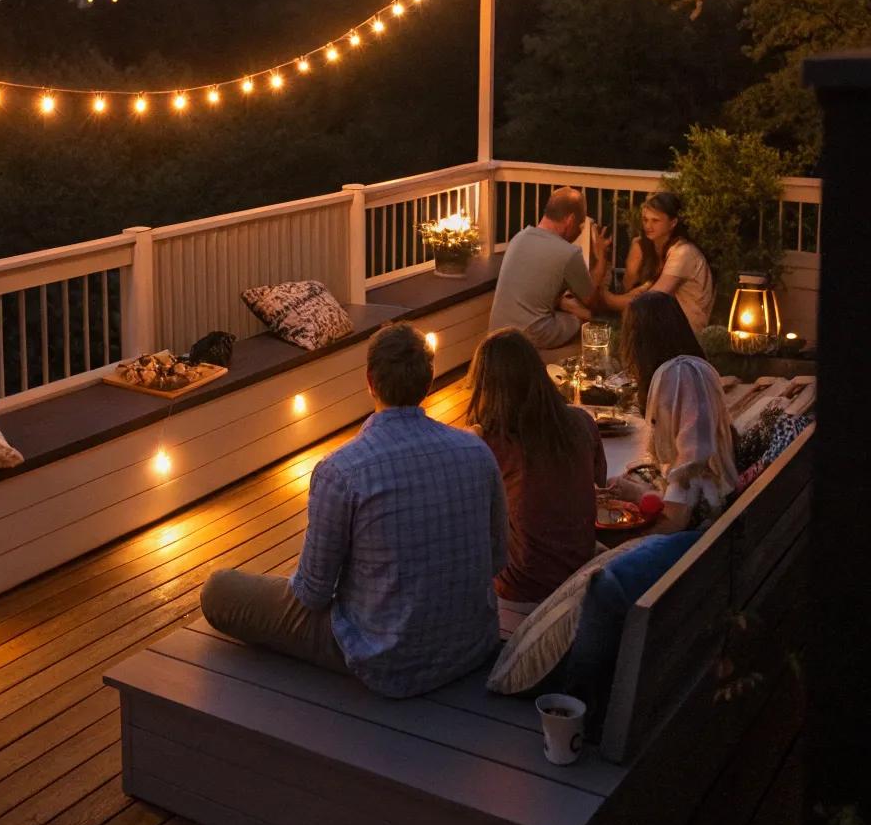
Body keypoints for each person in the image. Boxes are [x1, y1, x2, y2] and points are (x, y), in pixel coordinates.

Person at [201, 322, 508, 698]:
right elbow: (496, 560)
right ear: (428, 381)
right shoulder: (476, 452)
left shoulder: (342, 470)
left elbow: (312, 595)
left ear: (370, 381)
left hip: (386, 659)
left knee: (219, 590)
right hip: (471, 646)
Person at [467, 327, 605, 604]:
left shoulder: (489, 444)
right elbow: (600, 480)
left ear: (484, 386)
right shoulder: (581, 422)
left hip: (520, 587)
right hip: (577, 567)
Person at [616, 291, 738, 530]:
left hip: (700, 511)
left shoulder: (681, 373)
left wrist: (648, 499)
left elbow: (693, 459)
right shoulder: (684, 368)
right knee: (616, 482)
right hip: (698, 500)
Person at [489, 187, 611, 351]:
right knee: (584, 319)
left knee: (565, 304)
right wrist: (601, 257)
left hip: (497, 331)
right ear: (570, 220)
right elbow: (591, 300)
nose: (580, 230)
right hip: (531, 335)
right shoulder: (568, 253)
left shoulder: (519, 237)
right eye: (580, 225)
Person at [599, 190, 714, 335]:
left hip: (687, 333)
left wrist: (606, 298)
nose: (648, 226)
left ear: (673, 223)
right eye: (645, 220)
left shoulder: (683, 253)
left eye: (655, 220)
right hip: (668, 324)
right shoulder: (660, 250)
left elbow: (652, 298)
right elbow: (640, 290)